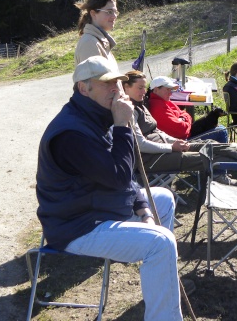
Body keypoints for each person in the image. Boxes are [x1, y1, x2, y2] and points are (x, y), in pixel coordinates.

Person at [36, 56, 187, 320]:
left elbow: (126, 173)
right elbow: (117, 177)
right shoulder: (72, 133)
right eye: (107, 84)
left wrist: (144, 210)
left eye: (117, 83)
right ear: (84, 88)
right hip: (76, 225)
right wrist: (122, 127)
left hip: (97, 208)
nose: (116, 90)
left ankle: (160, 288)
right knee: (161, 243)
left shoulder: (95, 116)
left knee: (162, 199)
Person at [123, 70, 237, 177]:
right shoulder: (127, 110)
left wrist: (175, 142)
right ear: (126, 87)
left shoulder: (141, 105)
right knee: (208, 156)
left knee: (211, 144)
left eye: (144, 88)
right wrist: (172, 146)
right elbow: (141, 144)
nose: (144, 92)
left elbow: (158, 130)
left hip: (168, 146)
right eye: (140, 88)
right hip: (152, 159)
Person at [147, 75, 228, 143]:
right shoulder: (158, 107)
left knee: (218, 127)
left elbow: (186, 115)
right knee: (221, 131)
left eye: (171, 89)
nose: (171, 93)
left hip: (186, 135)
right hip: (182, 142)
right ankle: (225, 158)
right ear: (156, 90)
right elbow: (181, 131)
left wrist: (182, 119)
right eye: (167, 89)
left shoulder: (164, 101)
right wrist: (184, 119)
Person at [74, 0, 119, 67]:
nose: (114, 16)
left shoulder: (99, 41)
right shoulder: (89, 43)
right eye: (109, 12)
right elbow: (93, 79)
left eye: (115, 12)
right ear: (93, 14)